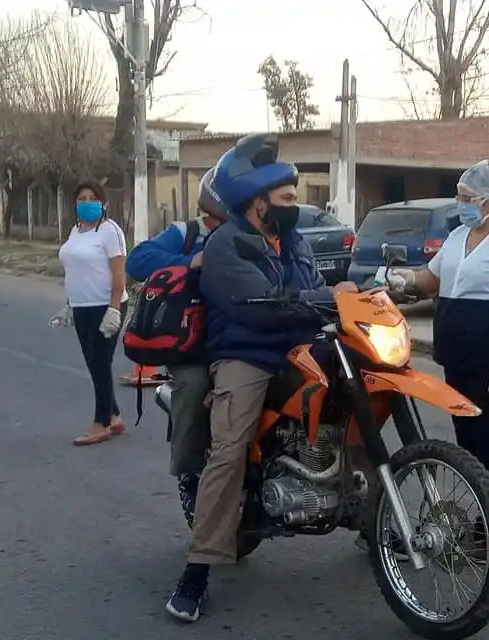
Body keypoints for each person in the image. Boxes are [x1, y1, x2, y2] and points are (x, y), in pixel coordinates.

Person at [166, 133, 359, 622]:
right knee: (229, 451)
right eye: (289, 198)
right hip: (246, 355)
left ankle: (374, 514)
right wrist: (323, 298)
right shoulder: (226, 243)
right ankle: (198, 569)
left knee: (357, 397)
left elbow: (313, 289)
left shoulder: (293, 242)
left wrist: (352, 295)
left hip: (297, 347)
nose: (297, 205)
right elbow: (264, 302)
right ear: (258, 203)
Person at [386, 159, 489, 559]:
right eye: (460, 196)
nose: (461, 203)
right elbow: (432, 279)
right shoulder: (457, 238)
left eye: (468, 198)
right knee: (468, 447)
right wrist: (406, 280)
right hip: (457, 360)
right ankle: (480, 522)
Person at [125, 167, 227, 527]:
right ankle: (188, 473)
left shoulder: (255, 232)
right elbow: (137, 261)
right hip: (192, 342)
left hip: (235, 334)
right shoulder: (188, 233)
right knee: (195, 386)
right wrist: (189, 262)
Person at [50, 180, 129, 447]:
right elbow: (76, 270)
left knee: (99, 363)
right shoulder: (75, 231)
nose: (87, 202)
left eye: (93, 197)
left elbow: (119, 275)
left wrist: (114, 309)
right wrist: (70, 304)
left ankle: (101, 423)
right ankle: (114, 414)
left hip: (105, 306)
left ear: (103, 203)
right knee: (95, 364)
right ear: (75, 204)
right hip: (81, 308)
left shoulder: (110, 231)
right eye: (81, 198)